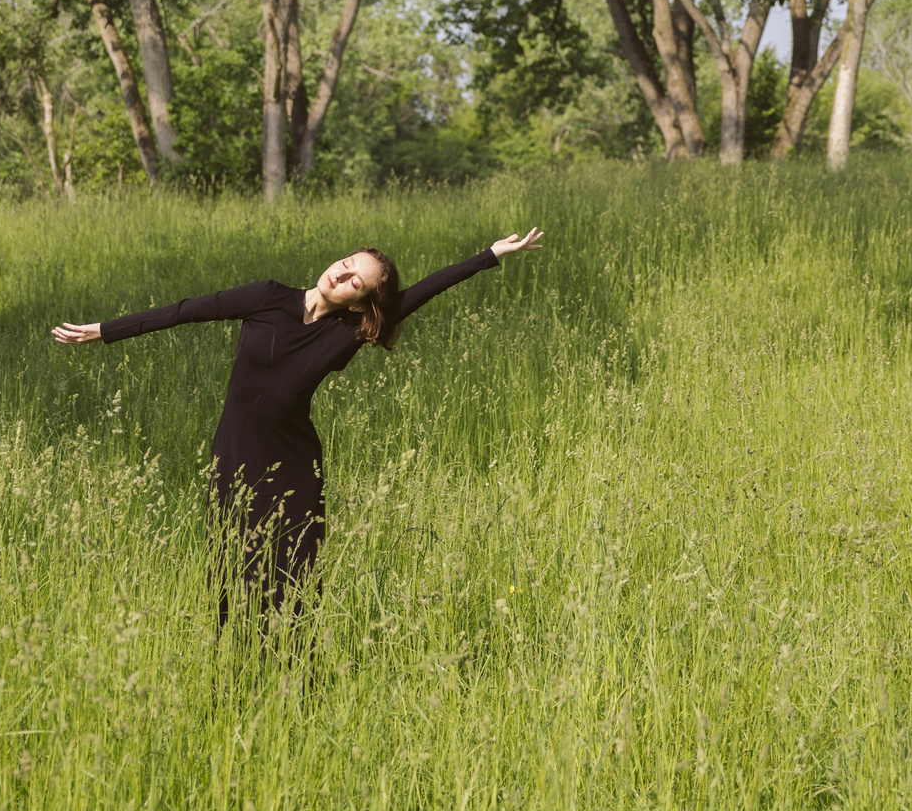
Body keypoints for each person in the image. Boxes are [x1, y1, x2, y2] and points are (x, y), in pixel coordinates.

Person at [52, 228, 546, 621]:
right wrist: (103, 331)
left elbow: (423, 291)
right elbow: (185, 311)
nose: (344, 275)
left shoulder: (348, 332)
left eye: (358, 281)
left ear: (361, 301)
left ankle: (298, 678)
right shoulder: (267, 297)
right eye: (347, 264)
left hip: (294, 466)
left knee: (292, 581)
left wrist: (490, 255)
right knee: (230, 568)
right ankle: (232, 668)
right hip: (235, 454)